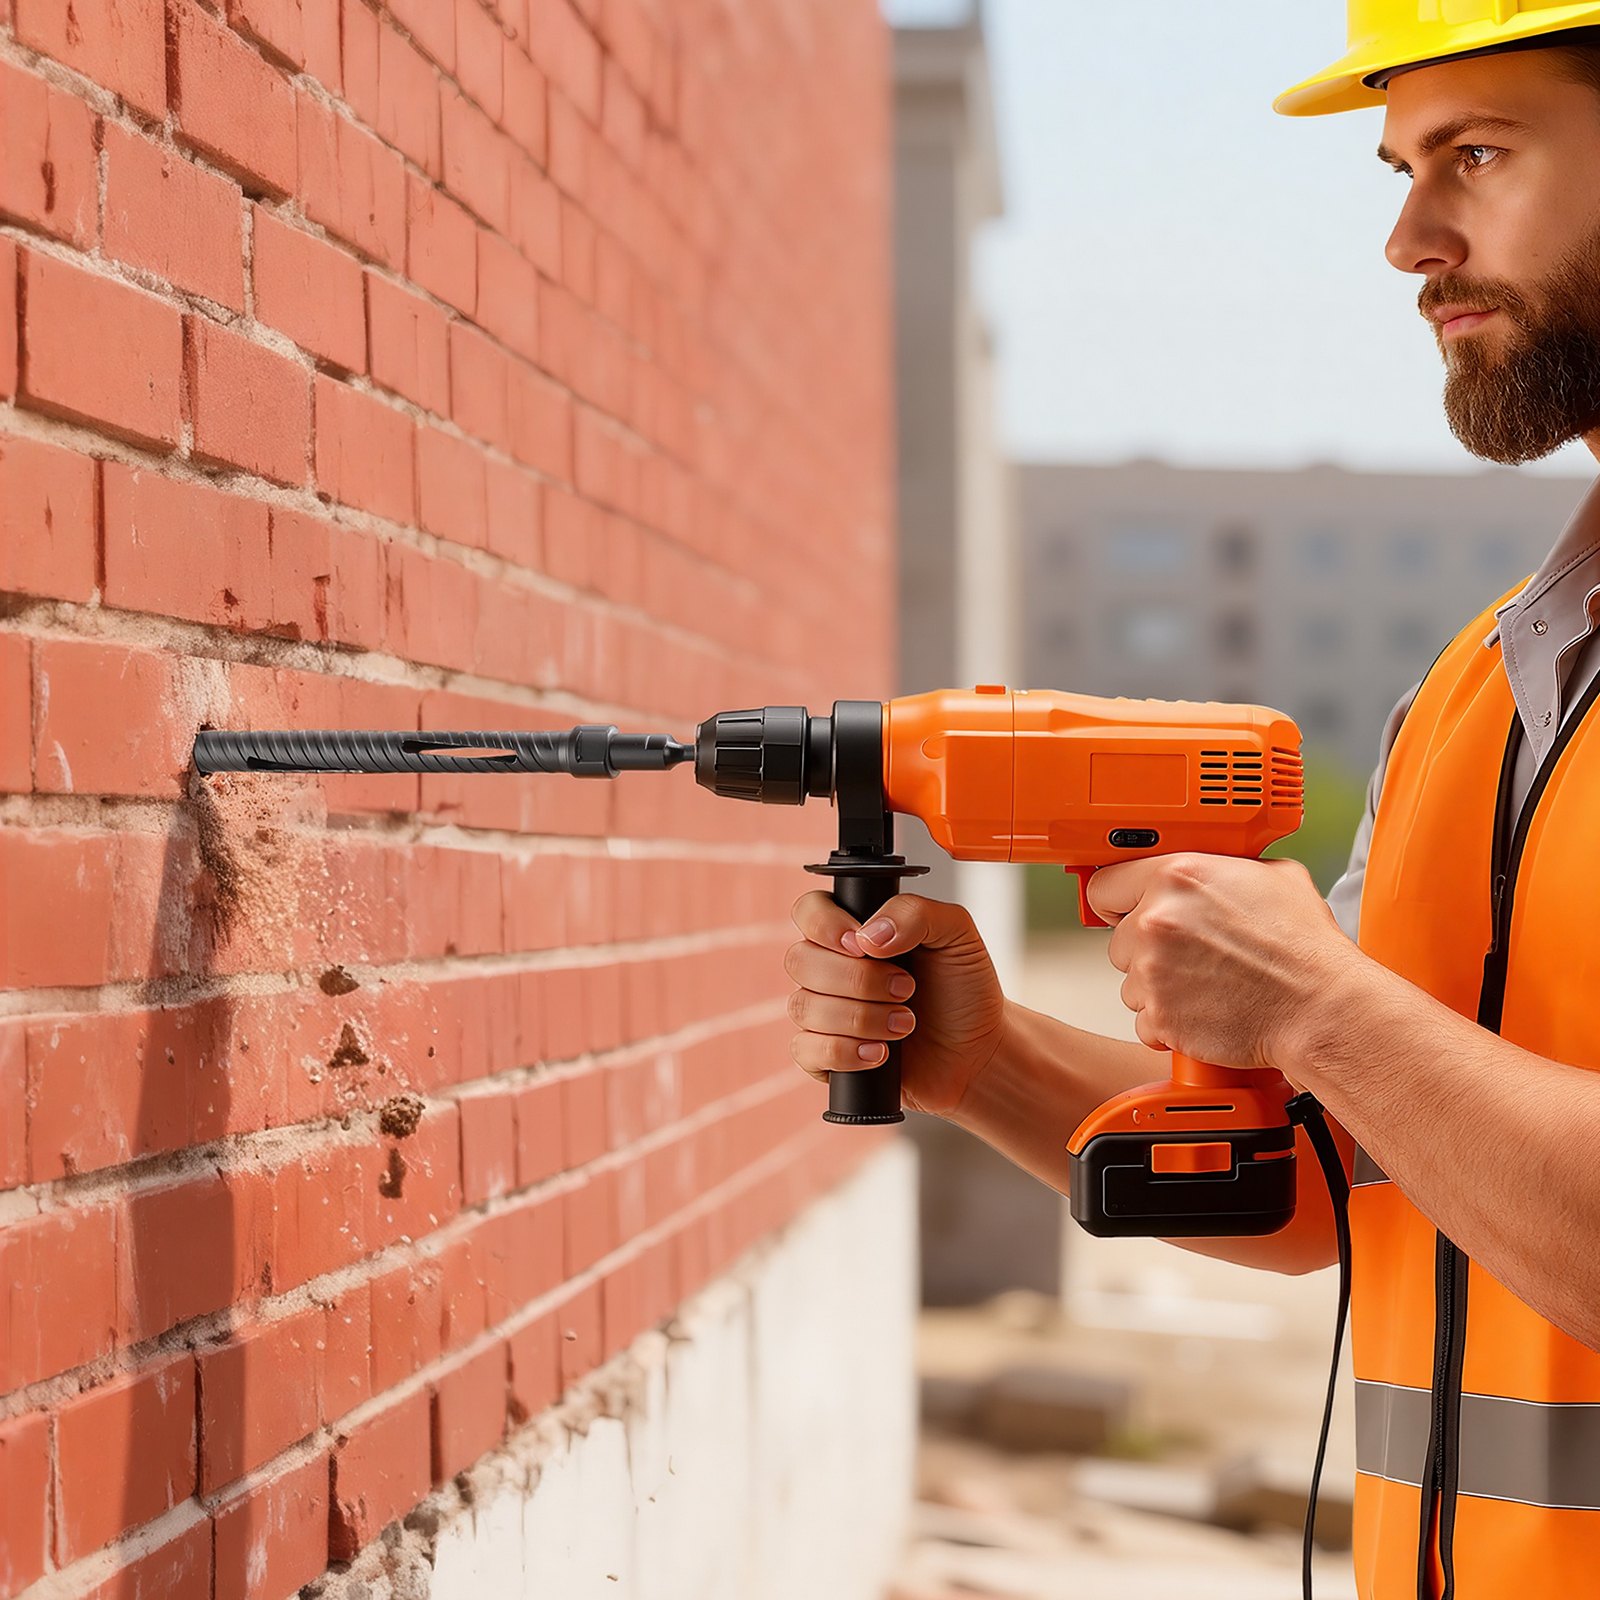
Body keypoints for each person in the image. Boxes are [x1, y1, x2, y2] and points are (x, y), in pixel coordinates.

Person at [786, 7, 1600, 1598]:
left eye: (1477, 156)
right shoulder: (1481, 692)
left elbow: (1347, 1052)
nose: (1407, 239)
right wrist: (988, 1058)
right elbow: (1328, 1179)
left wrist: (1320, 1006)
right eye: (1403, 169)